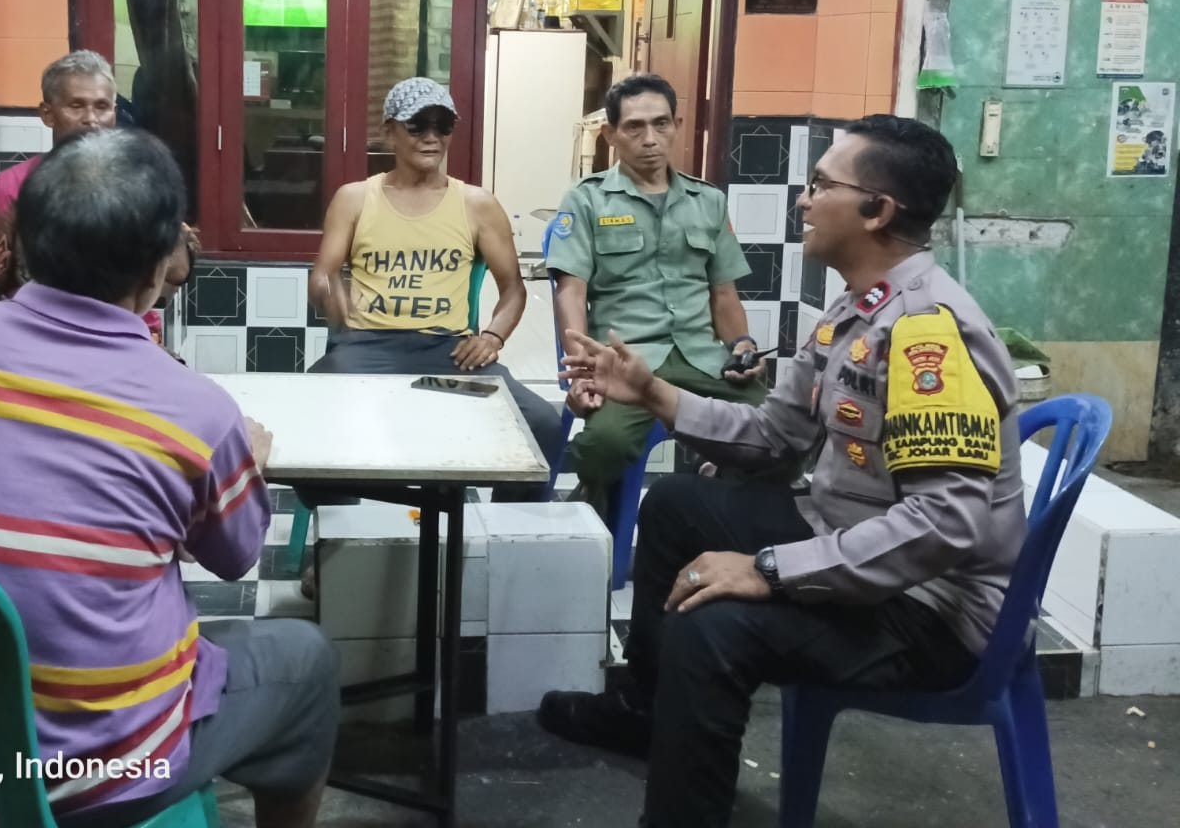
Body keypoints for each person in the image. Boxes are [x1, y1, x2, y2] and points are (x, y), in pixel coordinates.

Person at [538, 115, 1026, 828]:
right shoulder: (859, 310)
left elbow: (942, 527)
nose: (803, 198)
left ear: (876, 210)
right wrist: (652, 392)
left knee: (716, 625)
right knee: (676, 504)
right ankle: (649, 711)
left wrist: (767, 569)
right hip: (856, 534)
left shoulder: (929, 334)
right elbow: (775, 435)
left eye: (823, 185)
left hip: (929, 609)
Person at [0, 129, 337, 827]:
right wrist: (244, 458)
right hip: (94, 781)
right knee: (305, 662)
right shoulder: (196, 412)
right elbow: (235, 557)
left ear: (25, 242)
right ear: (164, 264)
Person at [309, 77, 567, 492]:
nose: (432, 137)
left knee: (540, 424)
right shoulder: (355, 199)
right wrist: (327, 291)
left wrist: (494, 336)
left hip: (446, 358)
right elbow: (322, 273)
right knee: (309, 416)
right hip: (366, 350)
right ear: (388, 130)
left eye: (442, 126)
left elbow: (514, 289)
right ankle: (339, 529)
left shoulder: (477, 205)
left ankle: (507, 534)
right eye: (418, 126)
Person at [548, 75, 767, 512]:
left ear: (676, 124)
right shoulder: (587, 200)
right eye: (634, 127)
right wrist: (584, 368)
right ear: (610, 135)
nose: (650, 139)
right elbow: (570, 293)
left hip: (701, 358)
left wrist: (742, 347)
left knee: (776, 429)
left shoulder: (708, 201)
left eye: (661, 124)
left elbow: (724, 294)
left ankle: (724, 506)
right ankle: (596, 514)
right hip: (625, 362)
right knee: (602, 447)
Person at [0, 49, 197, 343]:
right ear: (47, 114)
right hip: (38, 347)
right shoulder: (13, 189)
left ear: (115, 113)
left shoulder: (139, 184)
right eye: (76, 106)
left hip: (125, 343)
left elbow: (174, 272)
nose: (91, 119)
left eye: (102, 106)